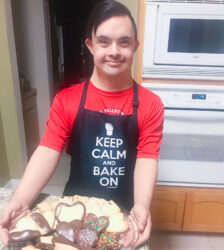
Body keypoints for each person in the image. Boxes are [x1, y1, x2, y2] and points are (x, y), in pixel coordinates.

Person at [0, 0, 164, 248]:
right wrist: (20, 200)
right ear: (90, 45)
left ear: (135, 46)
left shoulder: (151, 104)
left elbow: (147, 157)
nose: (114, 51)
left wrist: (141, 206)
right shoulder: (67, 100)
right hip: (71, 213)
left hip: (121, 215)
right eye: (104, 41)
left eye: (124, 41)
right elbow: (48, 149)